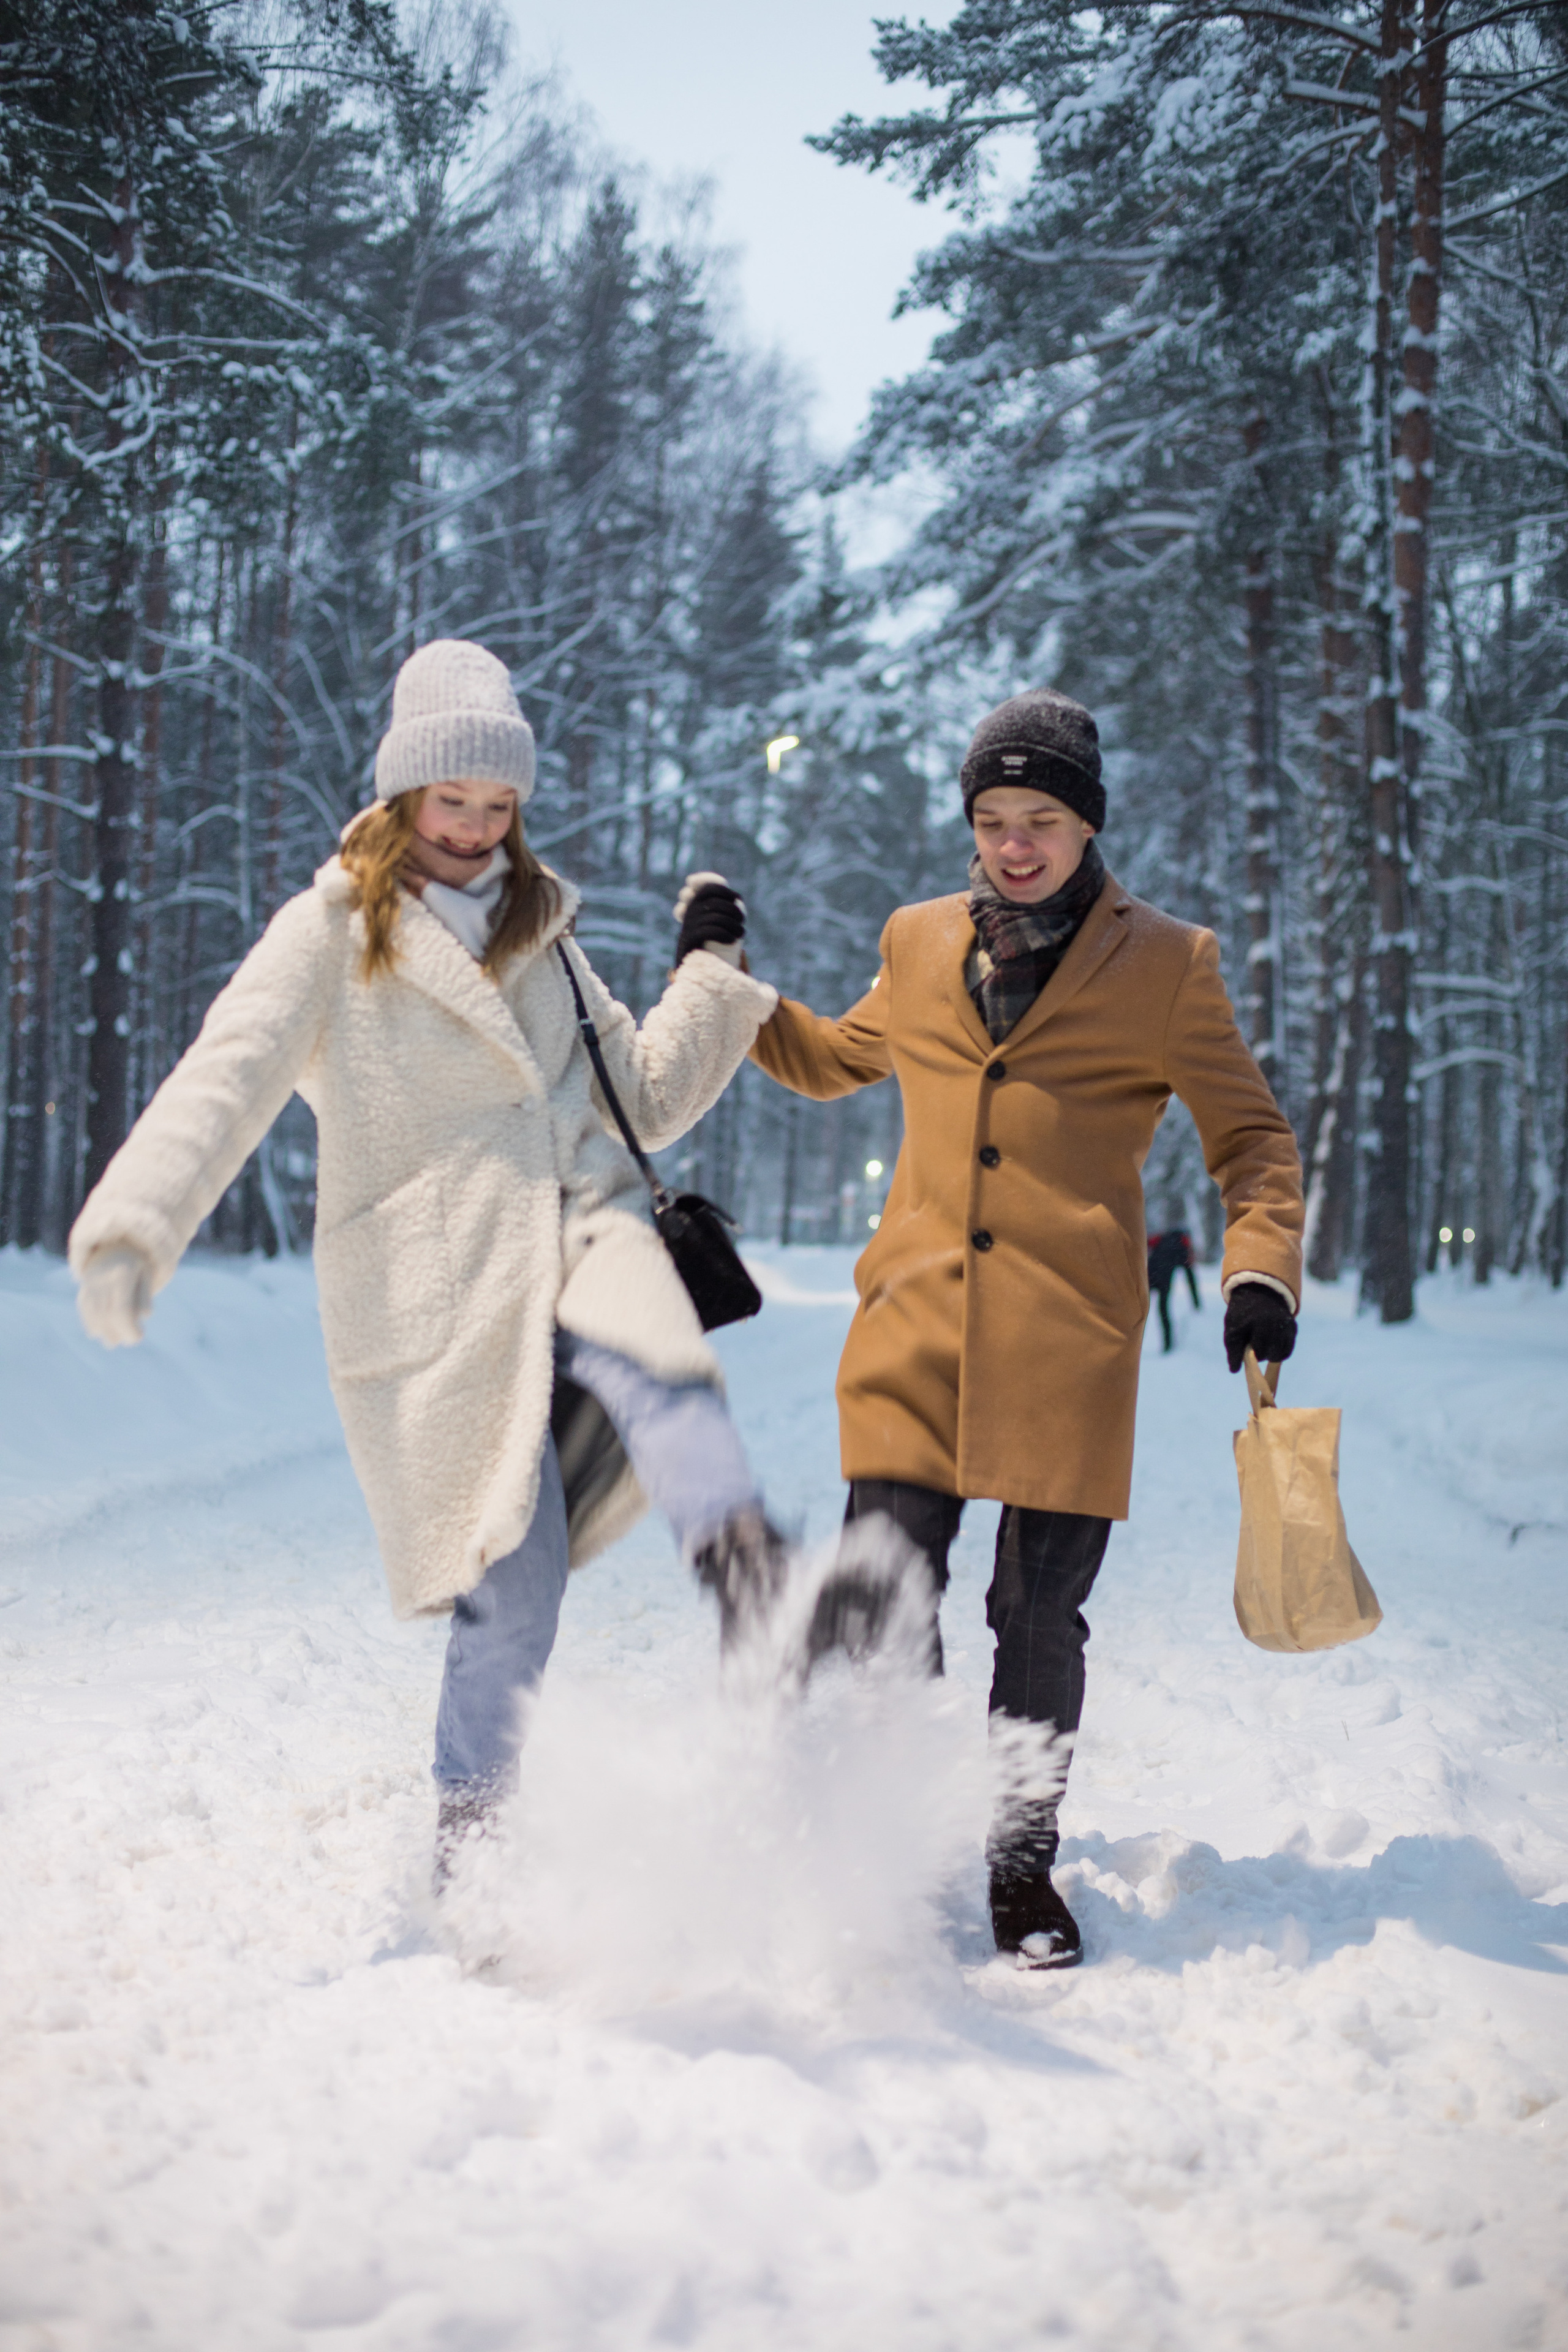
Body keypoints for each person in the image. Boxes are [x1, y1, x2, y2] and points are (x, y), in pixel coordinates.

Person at [68, 639, 793, 1881]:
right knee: (516, 1592)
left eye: (495, 804)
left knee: (654, 1357)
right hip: (443, 1290)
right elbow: (227, 1075)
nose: (472, 827)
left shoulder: (545, 931)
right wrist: (137, 1223)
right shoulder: (332, 933)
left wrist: (708, 975)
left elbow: (645, 1096)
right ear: (403, 798)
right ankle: (476, 1839)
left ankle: (744, 1562)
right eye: (451, 800)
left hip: (577, 1229)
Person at [748, 688, 1303, 1969]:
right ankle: (883, 1840)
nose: (1011, 844)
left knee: (1035, 1620)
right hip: (912, 1329)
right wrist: (726, 992)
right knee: (880, 1594)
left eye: (1038, 819)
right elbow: (834, 1057)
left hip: (1066, 1343)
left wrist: (1255, 1270)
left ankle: (1017, 1863)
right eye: (990, 819)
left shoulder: (1167, 962)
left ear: (1084, 824)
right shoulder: (917, 937)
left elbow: (1252, 1143)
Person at [1147, 1227, 1202, 1352]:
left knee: (1139, 1311)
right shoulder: (1182, 1248)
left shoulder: (1162, 1238)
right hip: (1164, 1281)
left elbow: (1145, 1245)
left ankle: (1130, 1344)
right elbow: (1190, 1278)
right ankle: (1168, 1345)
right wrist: (1196, 1303)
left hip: (1148, 1276)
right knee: (1163, 1310)